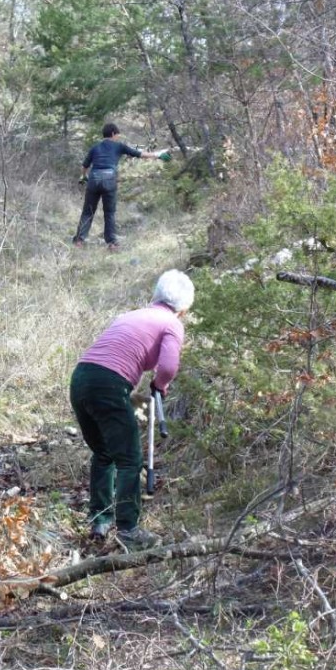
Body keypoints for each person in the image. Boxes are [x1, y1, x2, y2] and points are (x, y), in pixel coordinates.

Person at [69, 270, 194, 549]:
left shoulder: (128, 316)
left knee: (103, 452)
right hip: (109, 384)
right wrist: (160, 385)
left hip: (80, 378)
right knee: (129, 460)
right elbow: (169, 366)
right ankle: (128, 530)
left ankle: (100, 520)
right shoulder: (171, 324)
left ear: (155, 295)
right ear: (184, 308)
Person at [73, 122, 167, 251]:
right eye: (117, 135)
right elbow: (140, 154)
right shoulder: (119, 146)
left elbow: (84, 167)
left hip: (93, 179)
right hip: (109, 179)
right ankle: (112, 243)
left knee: (88, 212)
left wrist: (84, 177)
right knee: (109, 213)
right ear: (112, 134)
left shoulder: (95, 148)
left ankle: (79, 241)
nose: (118, 137)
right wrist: (158, 155)